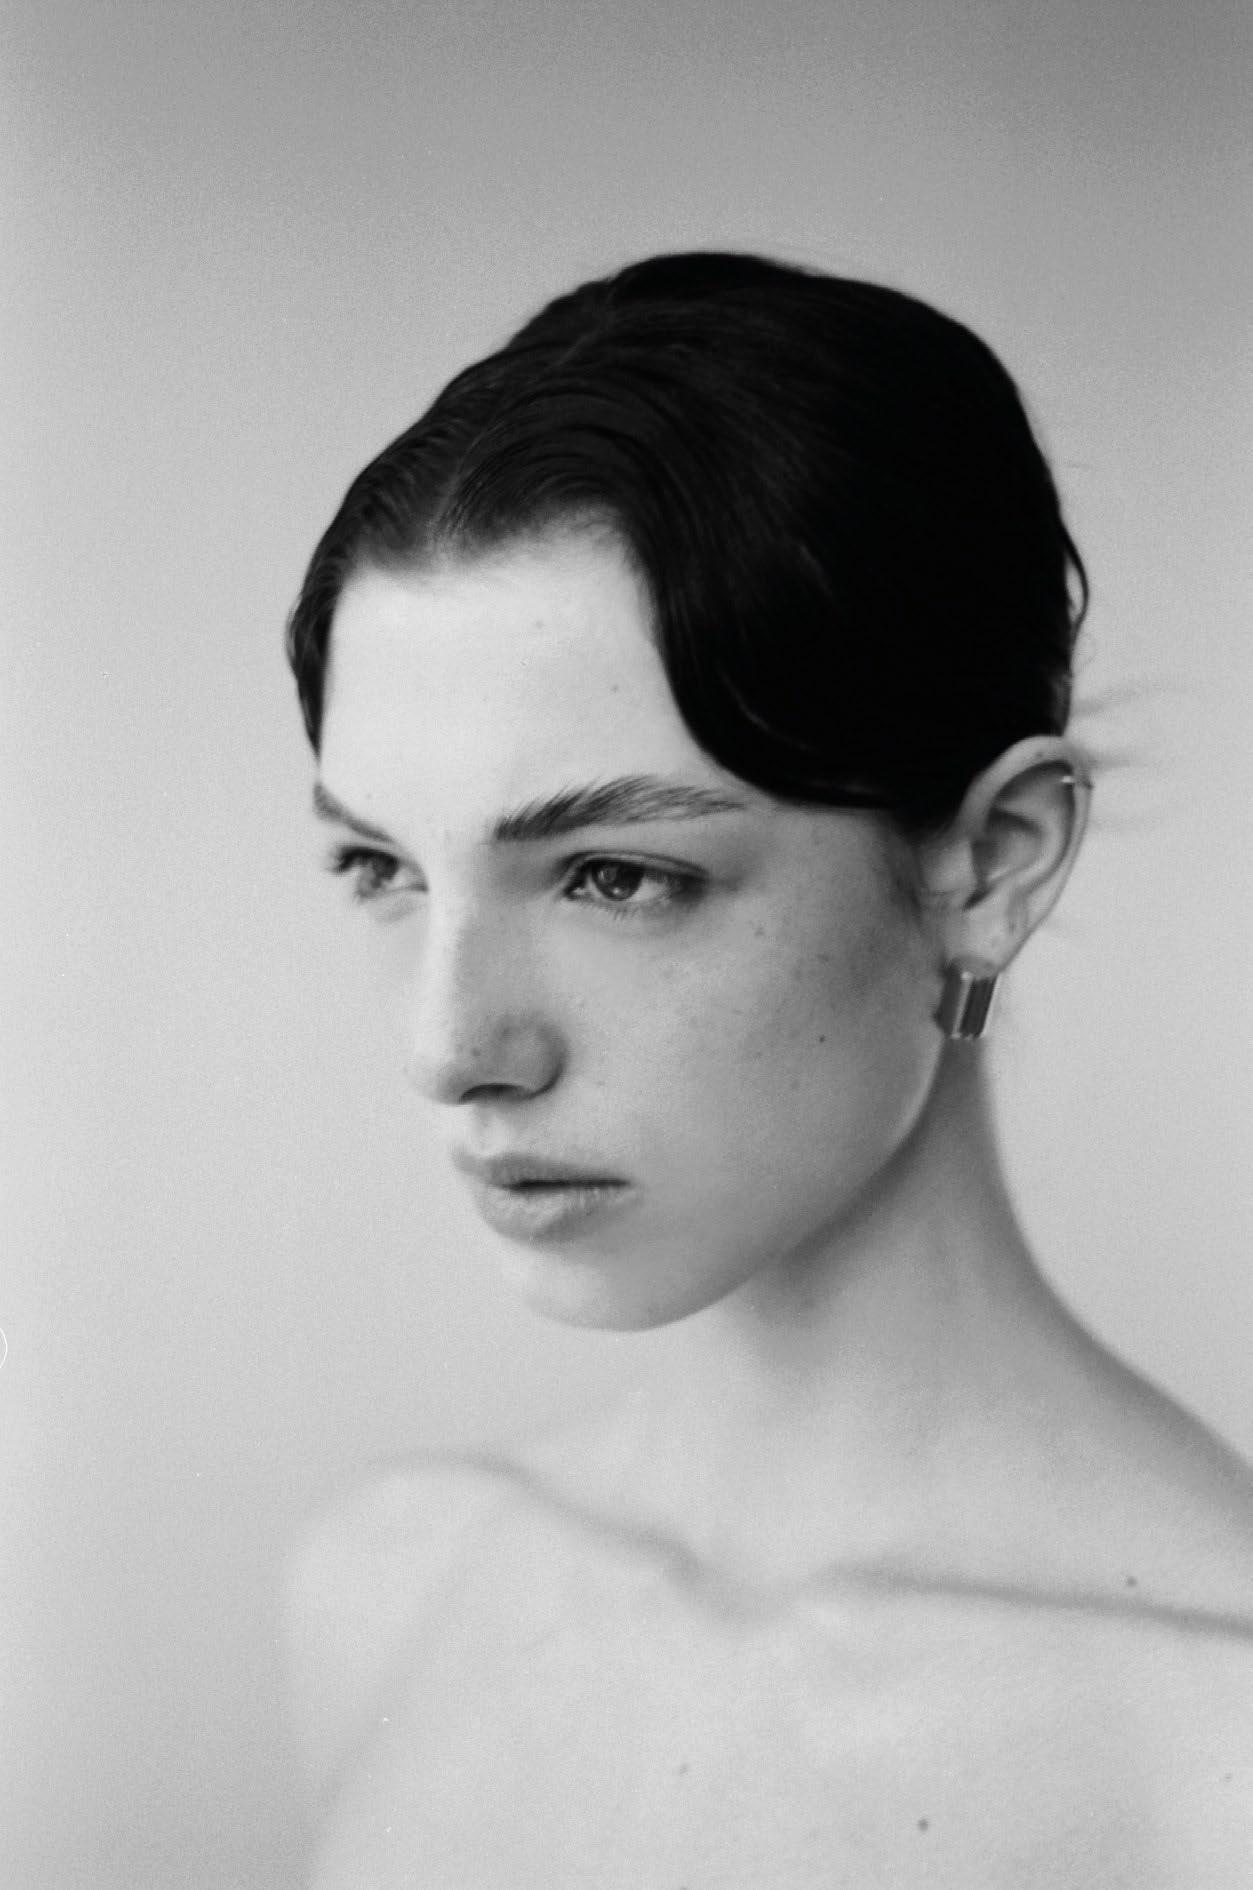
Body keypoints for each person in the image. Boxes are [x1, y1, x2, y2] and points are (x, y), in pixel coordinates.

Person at [281, 252, 1253, 1887]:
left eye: (614, 874)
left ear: (993, 861)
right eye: (381, 866)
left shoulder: (1214, 1754)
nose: (447, 1048)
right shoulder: (383, 1585)